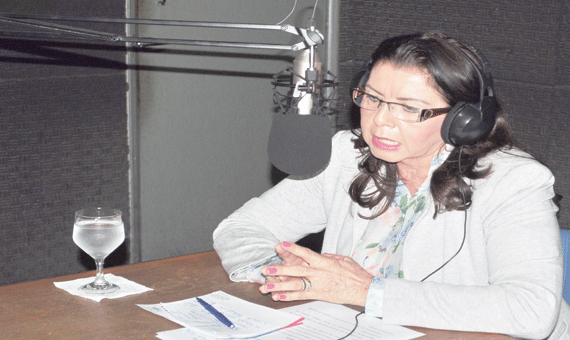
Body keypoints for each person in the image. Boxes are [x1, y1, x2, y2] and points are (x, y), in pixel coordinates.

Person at [213, 32, 569, 339]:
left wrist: (368, 292)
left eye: (408, 109)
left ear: (464, 120)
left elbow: (532, 310)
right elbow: (241, 228)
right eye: (373, 99)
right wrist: (285, 274)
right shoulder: (343, 155)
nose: (381, 121)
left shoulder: (516, 181)